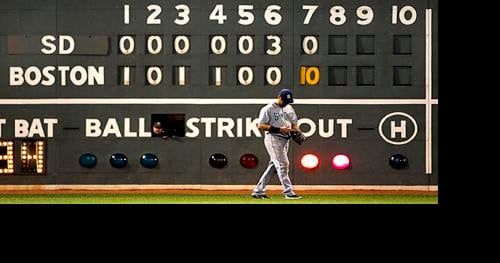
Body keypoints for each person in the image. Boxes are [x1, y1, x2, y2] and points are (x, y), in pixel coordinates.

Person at [251, 89, 303, 200]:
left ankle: (258, 191)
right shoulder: (268, 109)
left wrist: (297, 131)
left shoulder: (289, 108)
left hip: (285, 140)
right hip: (273, 138)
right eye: (284, 100)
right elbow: (260, 125)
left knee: (274, 166)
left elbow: (294, 124)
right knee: (283, 164)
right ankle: (288, 192)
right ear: (279, 97)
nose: (286, 103)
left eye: (288, 101)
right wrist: (279, 129)